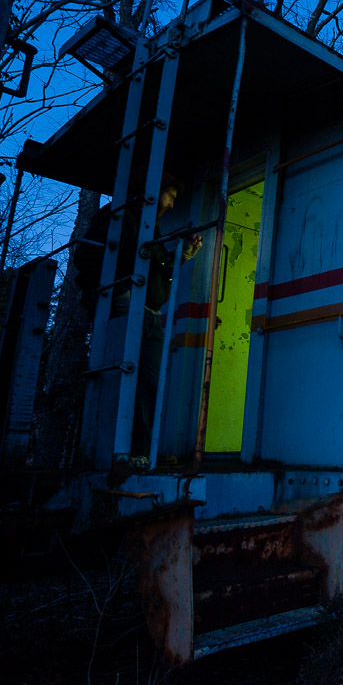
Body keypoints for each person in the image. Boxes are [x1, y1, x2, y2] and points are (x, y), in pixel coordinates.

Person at [80, 173, 202, 466]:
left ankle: (141, 451)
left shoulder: (151, 228)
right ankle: (122, 452)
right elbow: (87, 258)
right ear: (152, 190)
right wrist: (118, 294)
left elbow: (156, 274)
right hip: (126, 310)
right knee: (126, 380)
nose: (172, 204)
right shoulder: (120, 217)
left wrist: (181, 256)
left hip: (149, 314)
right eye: (170, 195)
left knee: (148, 383)